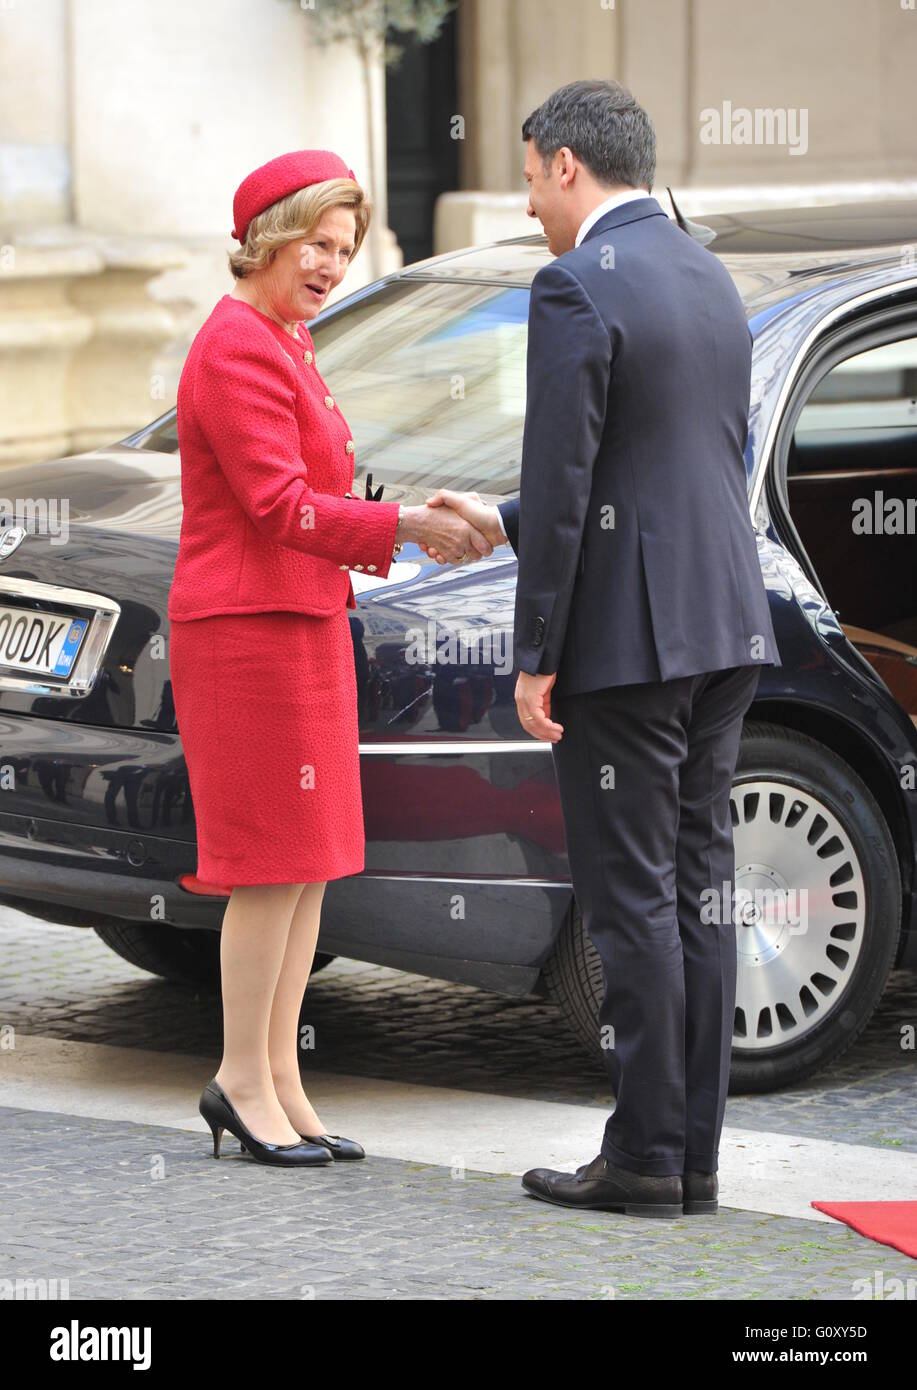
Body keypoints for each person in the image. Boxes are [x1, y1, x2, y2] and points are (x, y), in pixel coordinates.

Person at [420, 80, 780, 1217]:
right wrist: (507, 517)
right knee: (695, 893)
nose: (529, 202)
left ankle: (639, 1161)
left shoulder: (574, 283)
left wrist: (535, 653)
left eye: (529, 176)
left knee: (631, 902)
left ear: (564, 165)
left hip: (627, 645)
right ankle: (691, 1160)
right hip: (723, 625)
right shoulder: (705, 270)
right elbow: (666, 459)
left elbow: (575, 472)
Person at [168, 149, 493, 1167]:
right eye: (317, 241)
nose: (329, 264)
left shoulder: (288, 342)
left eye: (343, 250)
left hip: (300, 620)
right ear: (268, 232)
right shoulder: (236, 346)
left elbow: (314, 497)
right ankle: (237, 1076)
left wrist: (403, 517)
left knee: (307, 865)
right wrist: (404, 526)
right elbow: (280, 506)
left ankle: (279, 1079)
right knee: (268, 866)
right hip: (246, 632)